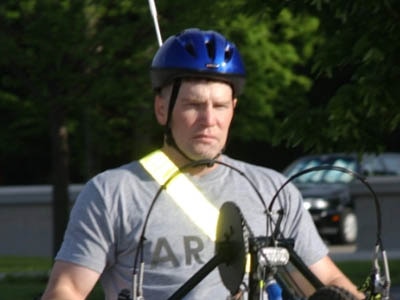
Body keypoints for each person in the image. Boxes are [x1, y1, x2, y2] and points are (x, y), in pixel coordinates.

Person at [41, 28, 365, 300]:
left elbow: (328, 284)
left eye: (220, 105)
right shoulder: (113, 193)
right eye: (193, 105)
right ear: (161, 109)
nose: (209, 120)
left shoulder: (273, 191)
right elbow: (66, 288)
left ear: (233, 109)